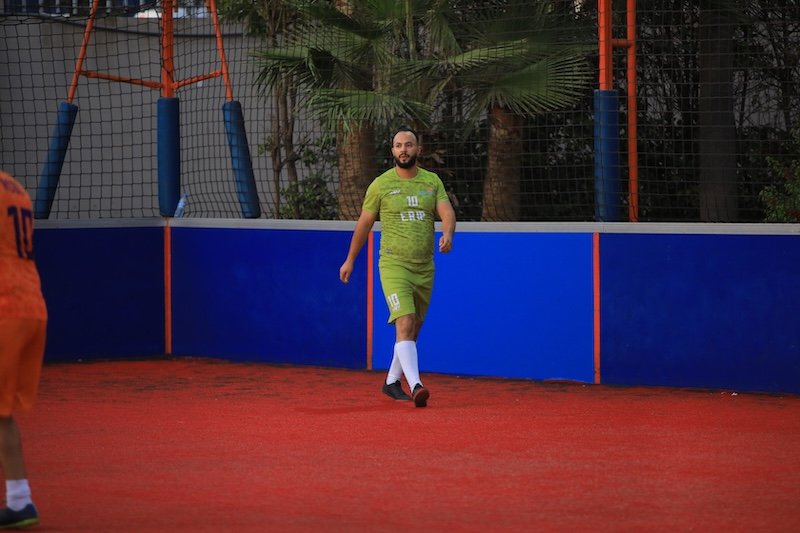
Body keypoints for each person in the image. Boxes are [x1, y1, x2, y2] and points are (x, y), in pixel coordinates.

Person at [339, 126, 456, 408]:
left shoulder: (431, 182)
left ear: (418, 149)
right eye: (399, 145)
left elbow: (446, 212)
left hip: (424, 267)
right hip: (393, 265)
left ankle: (391, 381)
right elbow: (364, 223)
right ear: (392, 150)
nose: (404, 150)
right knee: (404, 321)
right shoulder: (381, 185)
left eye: (409, 145)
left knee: (412, 330)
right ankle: (416, 385)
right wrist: (350, 259)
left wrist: (448, 234)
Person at [0, 169, 47, 528]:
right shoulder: (14, 186)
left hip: (5, 308)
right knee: (2, 413)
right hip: (30, 305)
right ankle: (19, 500)